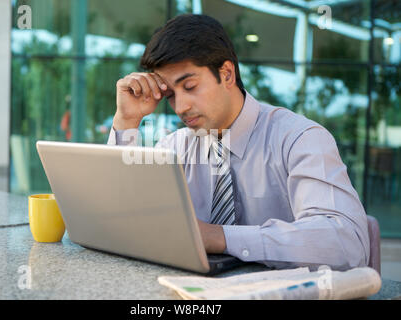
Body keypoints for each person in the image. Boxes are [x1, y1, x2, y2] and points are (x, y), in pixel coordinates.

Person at [107, 14, 370, 271]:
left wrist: (218, 237)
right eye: (170, 95)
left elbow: (347, 244)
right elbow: (122, 216)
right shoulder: (174, 148)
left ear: (227, 74)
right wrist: (126, 120)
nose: (180, 107)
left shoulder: (299, 139)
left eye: (189, 86)